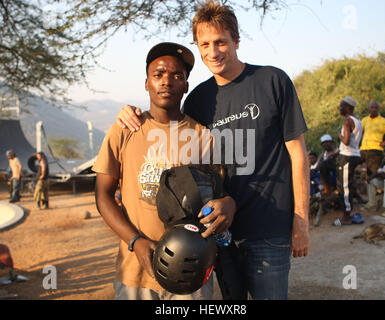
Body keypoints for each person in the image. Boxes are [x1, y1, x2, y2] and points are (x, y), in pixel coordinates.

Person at [115, 1, 310, 300]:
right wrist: (131, 113)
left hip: (268, 229)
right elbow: (170, 129)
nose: (213, 51)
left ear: (236, 41)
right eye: (204, 43)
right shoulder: (198, 100)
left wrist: (300, 220)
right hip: (215, 234)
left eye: (221, 42)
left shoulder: (273, 81)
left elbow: (298, 155)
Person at [92, 42, 235, 300]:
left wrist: (228, 204)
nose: (166, 81)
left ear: (186, 86)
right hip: (135, 272)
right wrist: (136, 242)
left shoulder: (203, 137)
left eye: (176, 76)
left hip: (191, 272)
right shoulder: (124, 130)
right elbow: (103, 195)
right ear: (147, 83)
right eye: (158, 75)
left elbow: (218, 197)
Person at [360, 100, 385, 211]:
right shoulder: (364, 120)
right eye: (371, 107)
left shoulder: (383, 122)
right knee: (360, 172)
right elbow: (359, 130)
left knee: (375, 175)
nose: (373, 109)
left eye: (375, 108)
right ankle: (367, 201)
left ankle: (376, 202)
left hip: (375, 151)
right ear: (369, 109)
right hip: (363, 149)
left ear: (378, 109)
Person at [334, 96, 363, 226]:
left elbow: (345, 141)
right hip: (355, 155)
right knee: (348, 185)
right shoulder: (358, 121)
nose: (339, 108)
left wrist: (339, 135)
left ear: (348, 108)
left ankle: (346, 217)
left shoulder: (347, 121)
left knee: (344, 186)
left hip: (347, 156)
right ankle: (348, 211)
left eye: (341, 106)